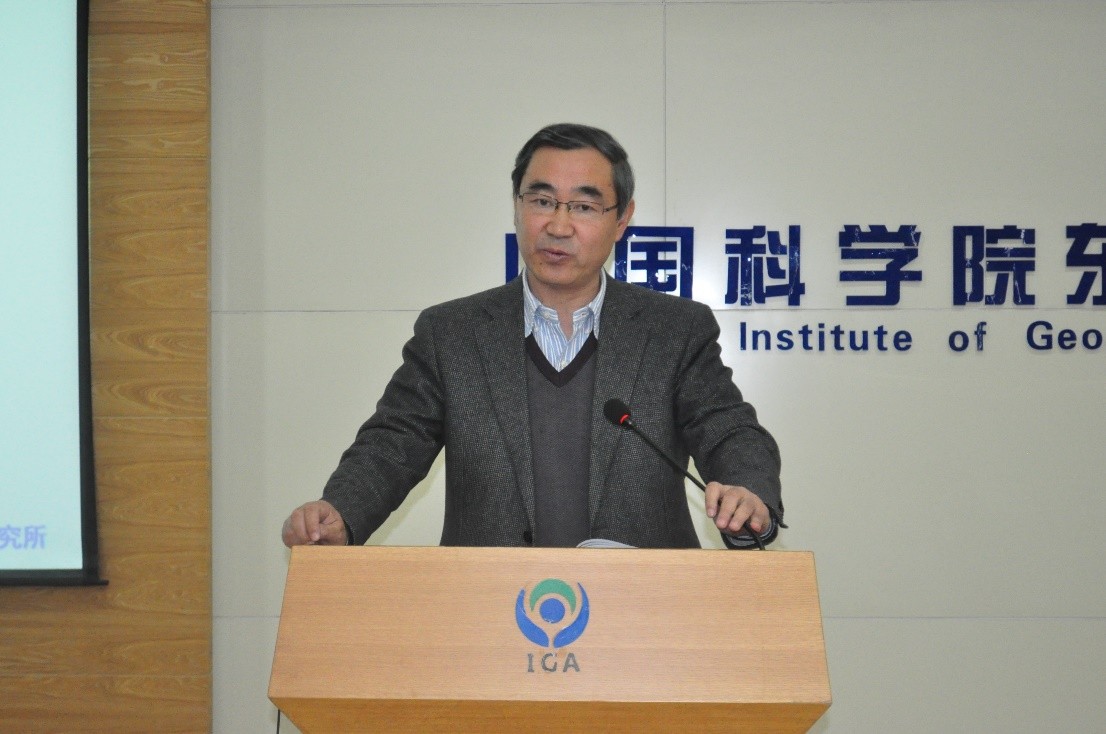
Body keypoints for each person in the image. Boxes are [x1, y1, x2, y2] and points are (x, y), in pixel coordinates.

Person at [282, 123, 783, 550]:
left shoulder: (673, 331)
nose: (558, 226)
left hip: (643, 613)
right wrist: (341, 513)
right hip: (490, 613)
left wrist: (748, 493)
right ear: (517, 207)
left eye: (583, 207)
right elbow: (394, 443)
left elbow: (727, 430)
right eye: (542, 201)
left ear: (622, 219)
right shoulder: (451, 334)